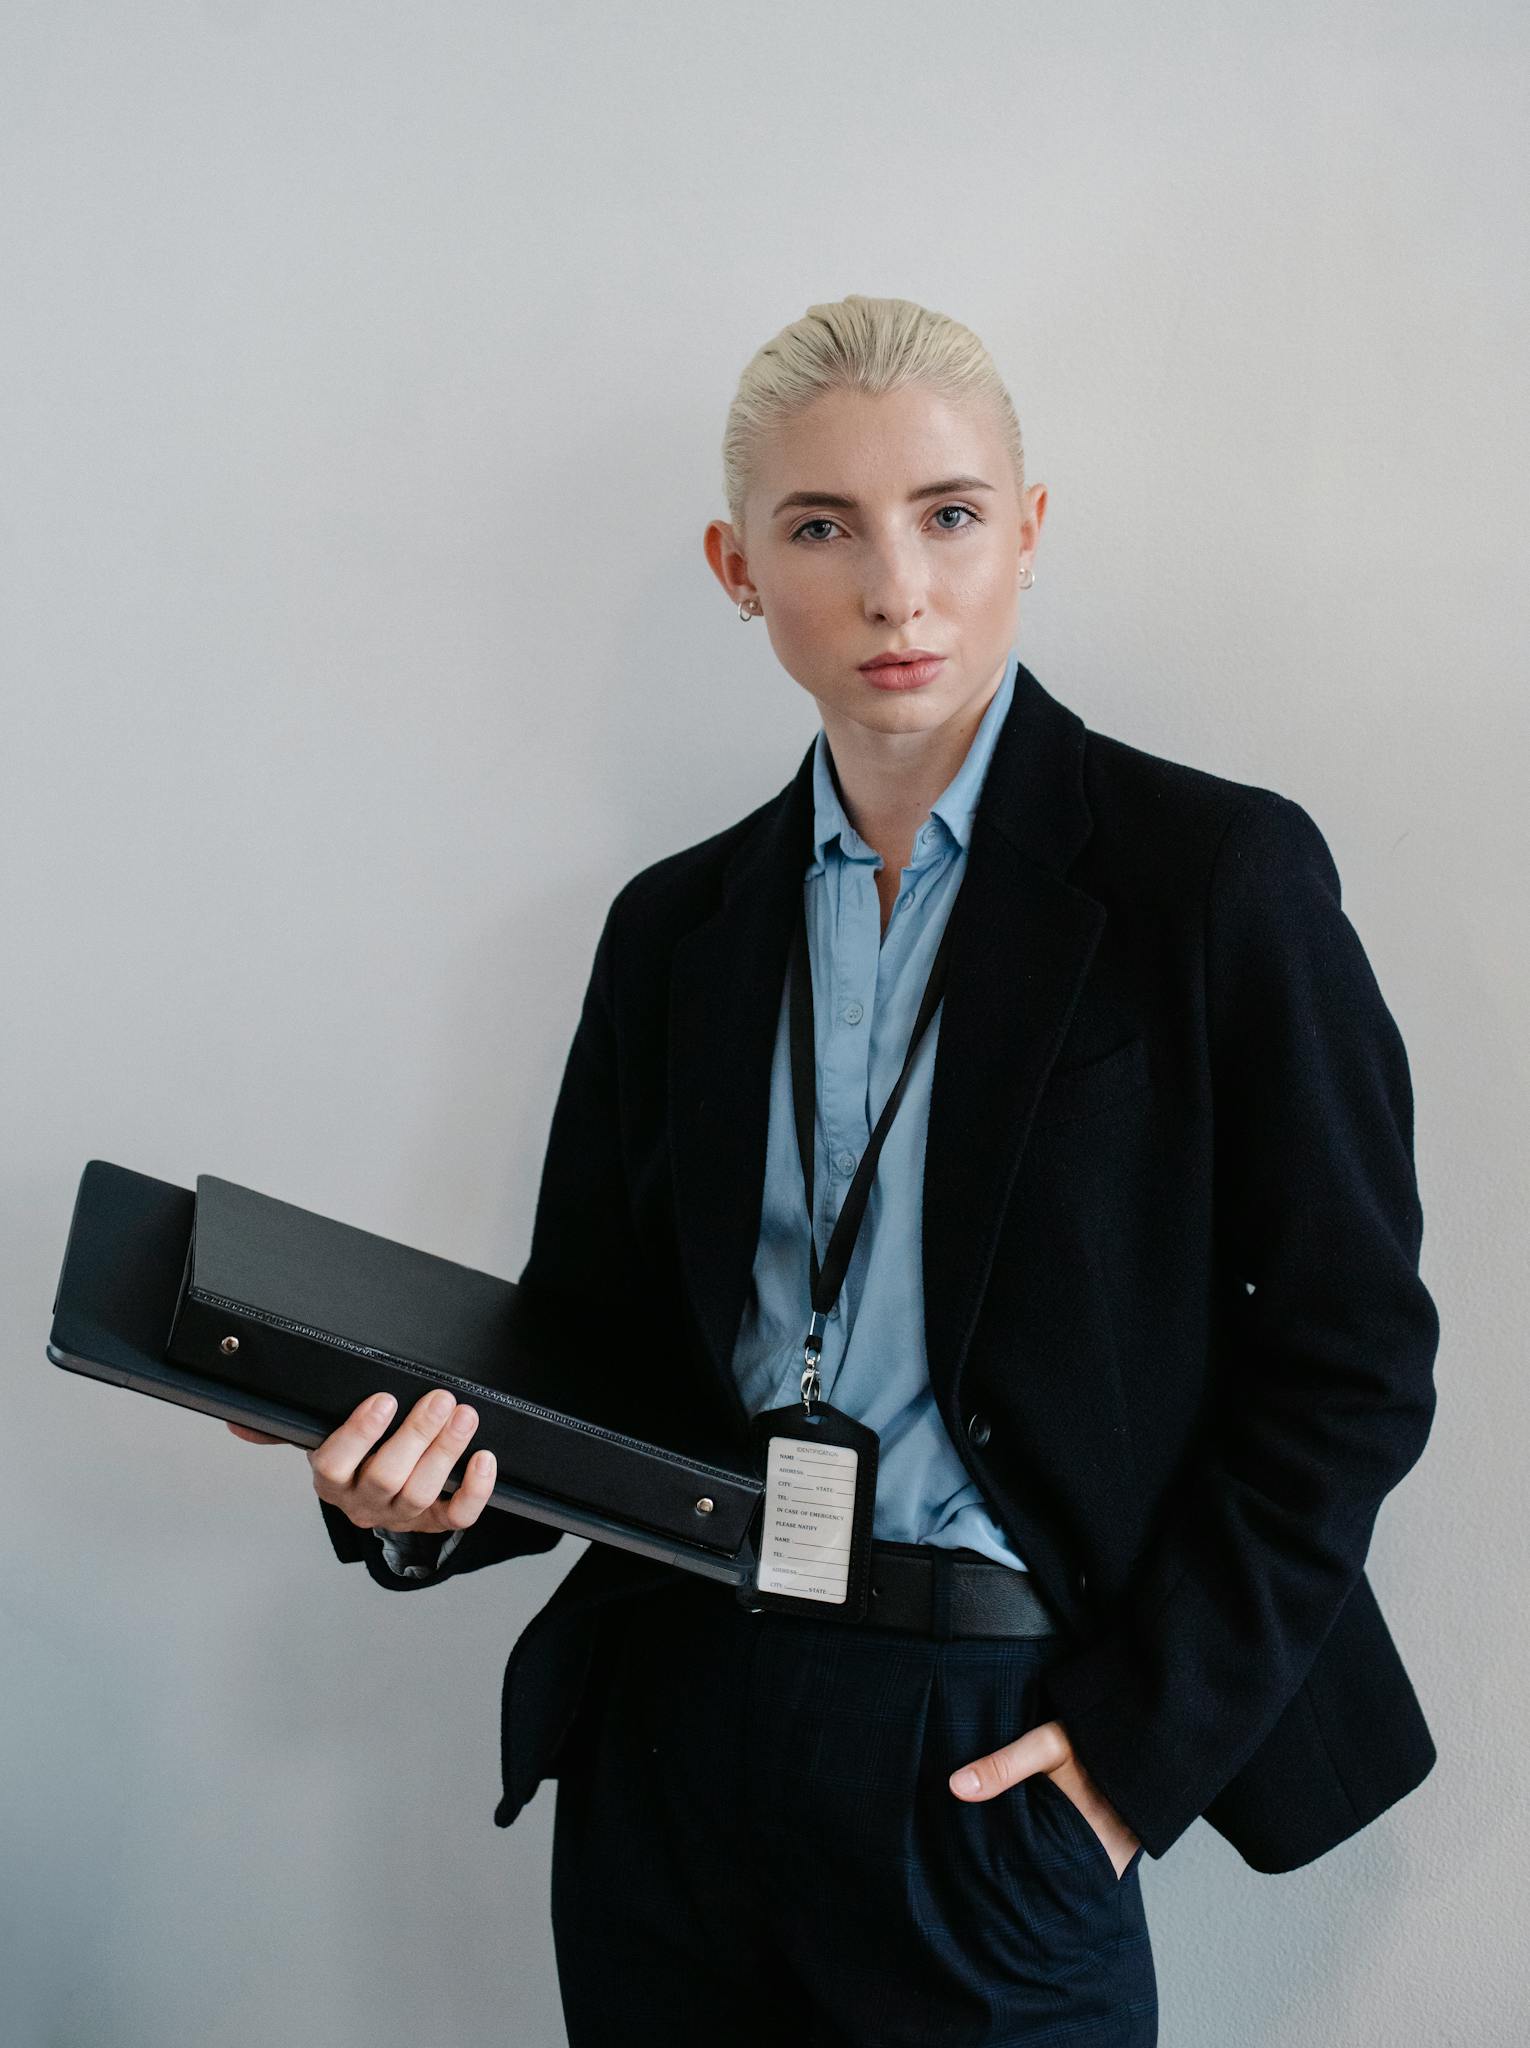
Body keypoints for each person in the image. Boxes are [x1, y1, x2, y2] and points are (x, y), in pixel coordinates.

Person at [231, 294, 1440, 2045]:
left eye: (948, 514)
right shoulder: (675, 930)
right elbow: (600, 1361)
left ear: (1028, 531)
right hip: (671, 1729)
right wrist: (407, 1498)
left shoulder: (1214, 880)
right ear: (737, 565)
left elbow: (1349, 1360)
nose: (895, 587)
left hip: (994, 1744)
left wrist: (1127, 1759)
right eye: (821, 527)